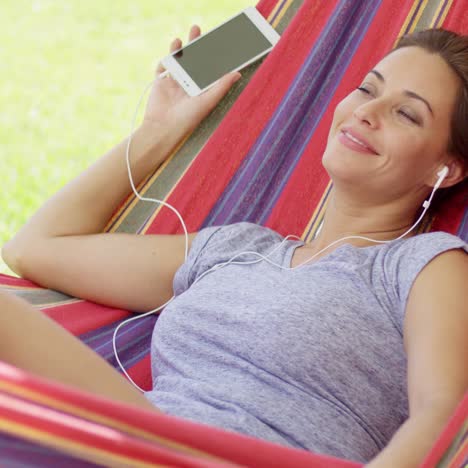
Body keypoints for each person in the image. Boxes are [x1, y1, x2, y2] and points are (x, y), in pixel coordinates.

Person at [1, 25, 467, 467]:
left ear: (444, 169)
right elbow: (35, 247)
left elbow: (444, 415)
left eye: (406, 113)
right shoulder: (237, 247)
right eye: (367, 89)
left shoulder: (424, 267)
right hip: (138, 442)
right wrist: (158, 130)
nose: (367, 111)